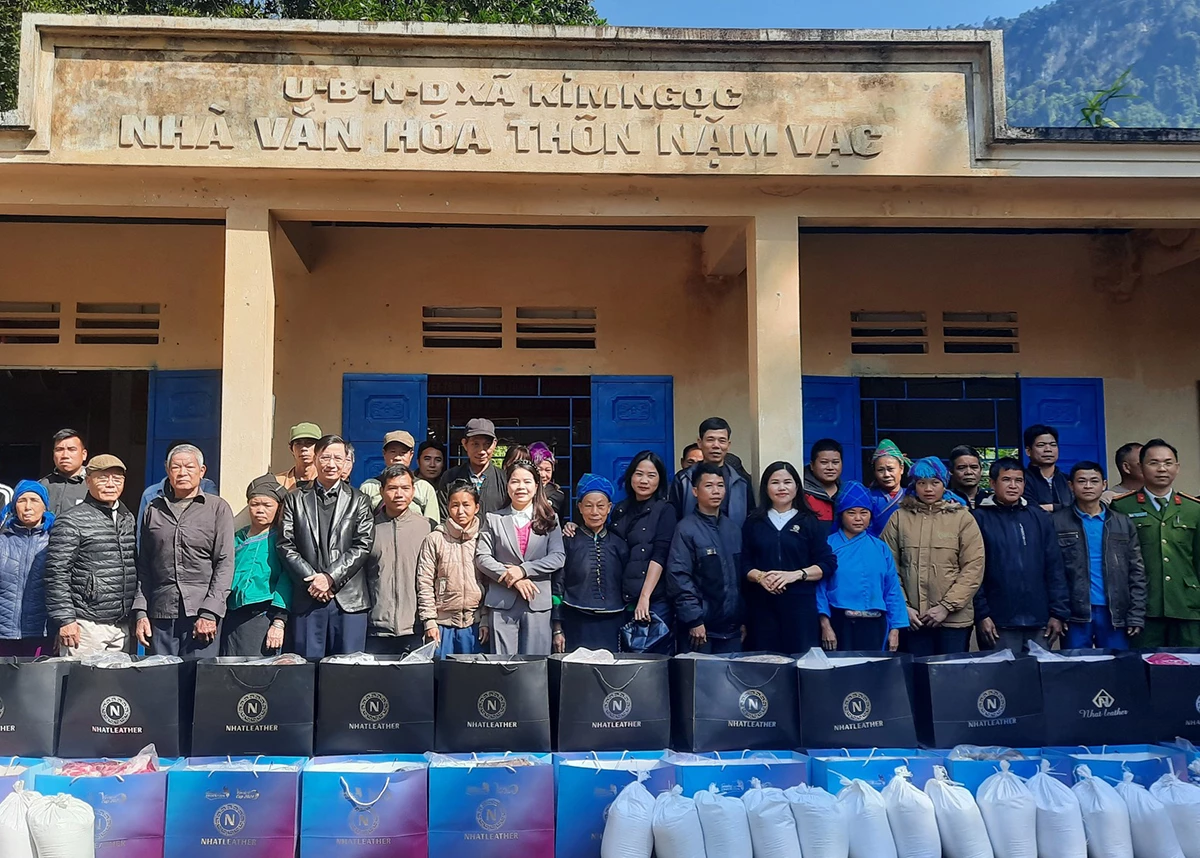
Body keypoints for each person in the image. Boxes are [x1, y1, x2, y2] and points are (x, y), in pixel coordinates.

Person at [278, 434, 375, 658]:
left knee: (348, 670)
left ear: (346, 462)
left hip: (349, 600)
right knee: (307, 669)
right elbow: (285, 544)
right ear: (315, 459)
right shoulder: (295, 498)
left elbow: (363, 544)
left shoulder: (359, 500)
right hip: (308, 597)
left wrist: (330, 577)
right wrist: (314, 580)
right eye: (325, 457)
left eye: (338, 458)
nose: (331, 464)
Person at [133, 444, 235, 658]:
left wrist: (210, 612)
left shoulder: (217, 508)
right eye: (176, 467)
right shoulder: (153, 509)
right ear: (167, 471)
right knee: (162, 675)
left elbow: (225, 564)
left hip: (201, 613)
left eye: (189, 466)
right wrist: (141, 612)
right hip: (161, 612)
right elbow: (144, 565)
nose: (182, 472)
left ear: (202, 471)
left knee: (199, 677)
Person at [882, 456, 985, 656]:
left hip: (953, 619)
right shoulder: (899, 517)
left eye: (935, 483)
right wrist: (903, 607)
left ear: (944, 484)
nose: (928, 489)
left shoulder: (962, 518)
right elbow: (888, 567)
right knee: (916, 673)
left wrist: (946, 606)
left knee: (951, 673)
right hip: (914, 620)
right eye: (922, 483)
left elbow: (974, 566)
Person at [972, 458, 1069, 653]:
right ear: (992, 483)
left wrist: (1058, 612)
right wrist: (982, 614)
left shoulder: (1039, 517)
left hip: (1039, 619)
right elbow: (973, 570)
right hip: (998, 621)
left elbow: (1054, 566)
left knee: (1039, 671)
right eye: (1006, 480)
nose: (1013, 486)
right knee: (1002, 672)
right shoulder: (979, 518)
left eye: (1019, 480)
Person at [44, 454, 137, 655]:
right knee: (81, 676)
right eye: (102, 478)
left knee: (118, 676)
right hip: (85, 625)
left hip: (121, 624)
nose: (110, 484)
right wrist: (65, 619)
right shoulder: (71, 520)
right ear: (88, 481)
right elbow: (56, 573)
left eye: (117, 479)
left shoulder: (127, 517)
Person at [741, 461, 837, 654]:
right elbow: (744, 563)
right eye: (775, 482)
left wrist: (795, 575)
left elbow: (827, 563)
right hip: (762, 608)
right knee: (765, 662)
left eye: (787, 482)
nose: (782, 488)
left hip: (800, 608)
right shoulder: (754, 522)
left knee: (800, 662)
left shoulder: (809, 521)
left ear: (797, 487)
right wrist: (761, 577)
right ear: (766, 488)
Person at [1112, 439, 1200, 647]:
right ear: (1141, 467)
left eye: (1168, 463)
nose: (1162, 469)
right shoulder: (1122, 507)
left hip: (1186, 604)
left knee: (1189, 665)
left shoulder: (1193, 508)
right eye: (1154, 463)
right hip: (1143, 606)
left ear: (1177, 468)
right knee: (1145, 664)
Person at [475, 459, 565, 655]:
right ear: (507, 486)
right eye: (515, 481)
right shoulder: (494, 519)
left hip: (537, 603)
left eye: (527, 481)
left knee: (535, 665)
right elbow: (482, 557)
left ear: (536, 486)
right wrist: (513, 578)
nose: (521, 487)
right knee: (503, 665)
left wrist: (523, 570)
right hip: (502, 603)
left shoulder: (550, 519)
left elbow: (558, 557)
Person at [1054, 461, 1146, 649]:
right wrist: (1057, 612)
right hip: (1074, 612)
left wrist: (1136, 613)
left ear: (1104, 485)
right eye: (1081, 481)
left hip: (1115, 612)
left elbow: (1136, 571)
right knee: (1077, 664)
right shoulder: (1056, 522)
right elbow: (1050, 571)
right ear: (1071, 485)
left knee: (1117, 664)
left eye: (1094, 481)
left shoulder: (1122, 522)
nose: (1088, 486)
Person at [818, 482, 908, 652]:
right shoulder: (828, 546)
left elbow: (892, 589)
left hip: (876, 625)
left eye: (864, 513)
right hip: (840, 622)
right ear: (841, 515)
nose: (858, 518)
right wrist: (825, 625)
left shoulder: (880, 548)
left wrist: (895, 629)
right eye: (851, 513)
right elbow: (820, 589)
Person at [666, 462, 744, 654]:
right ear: (695, 491)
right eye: (708, 486)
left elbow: (740, 580)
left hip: (732, 629)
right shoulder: (686, 529)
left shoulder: (733, 529)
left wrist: (743, 619)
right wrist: (694, 619)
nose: (716, 491)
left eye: (720, 485)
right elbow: (679, 577)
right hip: (700, 629)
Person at [553, 474, 629, 652]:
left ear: (609, 508)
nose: (595, 512)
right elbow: (558, 585)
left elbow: (628, 584)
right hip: (576, 619)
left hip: (614, 620)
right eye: (588, 505)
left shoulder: (619, 544)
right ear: (579, 507)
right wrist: (557, 628)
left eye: (601, 506)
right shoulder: (568, 542)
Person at [416, 479, 490, 657]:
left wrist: (485, 618)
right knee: (442, 672)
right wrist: (429, 620)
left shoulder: (484, 538)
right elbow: (424, 582)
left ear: (477, 507)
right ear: (448, 507)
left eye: (466, 505)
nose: (461, 511)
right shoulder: (435, 539)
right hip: (442, 624)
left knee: (473, 671)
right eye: (455, 505)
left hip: (475, 624)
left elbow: (489, 582)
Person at [364, 465, 433, 654]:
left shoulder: (427, 528)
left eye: (405, 488)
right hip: (375, 628)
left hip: (416, 627)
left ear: (413, 490)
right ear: (381, 491)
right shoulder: (368, 529)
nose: (399, 494)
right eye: (393, 488)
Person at [222, 475, 292, 657]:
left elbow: (286, 580)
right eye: (254, 504)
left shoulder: (282, 541)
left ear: (278, 508)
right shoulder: (236, 538)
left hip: (263, 616)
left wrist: (278, 621)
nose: (260, 510)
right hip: (232, 616)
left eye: (267, 505)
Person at [611, 451, 678, 641]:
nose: (644, 480)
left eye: (651, 475)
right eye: (639, 474)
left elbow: (660, 554)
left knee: (650, 653)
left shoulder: (665, 510)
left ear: (660, 479)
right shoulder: (620, 509)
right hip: (622, 598)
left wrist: (644, 597)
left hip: (654, 599)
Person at [669, 417, 756, 528]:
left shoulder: (741, 481)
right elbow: (673, 518)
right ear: (700, 443)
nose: (716, 446)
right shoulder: (683, 479)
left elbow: (750, 519)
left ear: (728, 445)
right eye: (710, 440)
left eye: (722, 441)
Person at [0, 481, 55, 655]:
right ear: (14, 506)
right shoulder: (3, 542)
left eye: (34, 500)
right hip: (3, 633)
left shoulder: (55, 542)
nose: (28, 507)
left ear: (45, 506)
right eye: (22, 500)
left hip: (42, 633)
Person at [359, 431, 439, 523]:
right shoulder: (369, 487)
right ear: (384, 453)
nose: (397, 457)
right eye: (393, 452)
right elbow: (362, 523)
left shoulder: (424, 487)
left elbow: (432, 524)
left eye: (403, 453)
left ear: (411, 455)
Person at [438, 418, 509, 518]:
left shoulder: (505, 479)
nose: (481, 451)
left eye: (487, 444)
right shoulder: (450, 478)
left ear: (494, 444)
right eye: (475, 444)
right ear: (465, 444)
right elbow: (444, 517)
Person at [1023, 424, 1073, 512]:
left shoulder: (1068, 480)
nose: (1048, 449)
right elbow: (1028, 509)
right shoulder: (1021, 480)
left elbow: (1079, 508)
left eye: (1053, 445)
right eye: (1041, 445)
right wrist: (1061, 507)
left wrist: (1051, 507)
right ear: (1028, 451)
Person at [40, 428, 88, 515]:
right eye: (59, 450)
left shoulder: (94, 485)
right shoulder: (42, 486)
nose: (65, 455)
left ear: (84, 454)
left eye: (71, 449)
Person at [868, 439, 910, 536]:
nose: (886, 475)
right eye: (880, 470)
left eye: (890, 469)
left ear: (901, 469)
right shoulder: (867, 497)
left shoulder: (912, 495)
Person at [530, 442, 571, 526]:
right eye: (539, 469)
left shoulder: (558, 495)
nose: (543, 475)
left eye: (548, 470)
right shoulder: (523, 492)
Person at [803, 439, 843, 523]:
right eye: (824, 462)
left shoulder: (846, 492)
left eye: (835, 462)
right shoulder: (801, 492)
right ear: (812, 465)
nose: (830, 467)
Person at [276, 422, 322, 491]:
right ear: (291, 449)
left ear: (320, 448)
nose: (303, 448)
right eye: (298, 444)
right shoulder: (278, 483)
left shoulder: (328, 481)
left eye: (309, 443)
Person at [949, 445, 991, 510]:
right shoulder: (945, 501)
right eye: (961, 468)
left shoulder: (992, 501)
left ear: (981, 470)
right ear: (951, 471)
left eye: (974, 467)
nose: (969, 472)